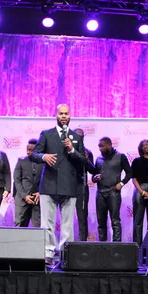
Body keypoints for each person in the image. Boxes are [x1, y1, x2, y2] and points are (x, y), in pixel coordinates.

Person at [31, 104, 87, 264]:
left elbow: (83, 161)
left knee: (67, 224)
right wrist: (43, 157)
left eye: (66, 114)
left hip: (69, 185)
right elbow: (34, 154)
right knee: (47, 222)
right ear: (56, 115)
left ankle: (65, 254)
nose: (63, 116)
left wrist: (71, 150)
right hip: (49, 184)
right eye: (61, 113)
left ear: (70, 116)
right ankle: (48, 253)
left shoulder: (76, 137)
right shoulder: (47, 134)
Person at [91, 137, 132, 242]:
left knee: (115, 221)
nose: (100, 148)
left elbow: (130, 173)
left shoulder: (120, 156)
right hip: (100, 193)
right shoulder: (98, 159)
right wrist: (95, 178)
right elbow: (94, 175)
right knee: (101, 222)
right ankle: (102, 245)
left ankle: (116, 246)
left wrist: (122, 183)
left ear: (109, 145)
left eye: (102, 146)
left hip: (114, 192)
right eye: (99, 146)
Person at [13, 138, 42, 227]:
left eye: (31, 150)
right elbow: (16, 180)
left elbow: (47, 179)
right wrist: (24, 196)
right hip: (22, 199)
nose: (28, 152)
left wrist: (40, 192)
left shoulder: (44, 162)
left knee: (38, 226)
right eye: (27, 150)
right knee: (20, 224)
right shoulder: (21, 161)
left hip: (37, 200)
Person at [73, 128, 95, 241]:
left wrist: (86, 160)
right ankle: (65, 244)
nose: (79, 138)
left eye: (81, 136)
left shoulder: (87, 152)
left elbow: (92, 170)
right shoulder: (66, 150)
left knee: (82, 216)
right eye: (77, 135)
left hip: (81, 186)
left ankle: (82, 242)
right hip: (67, 185)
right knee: (65, 216)